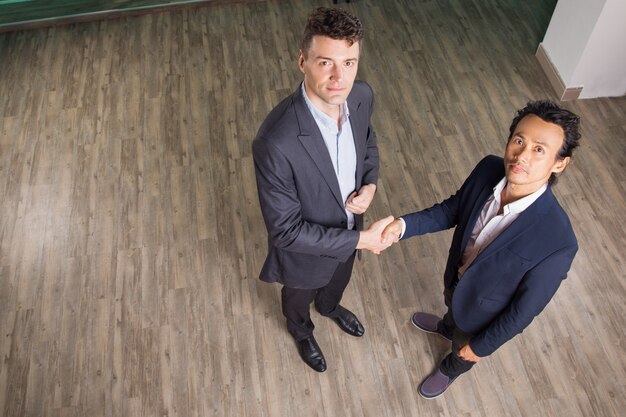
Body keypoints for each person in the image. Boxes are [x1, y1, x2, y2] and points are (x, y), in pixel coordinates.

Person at [381, 100, 581, 398]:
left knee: (463, 350)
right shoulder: (489, 168)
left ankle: (449, 369)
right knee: (451, 310)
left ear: (560, 163)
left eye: (539, 149)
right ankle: (446, 326)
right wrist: (401, 225)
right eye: (519, 140)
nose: (521, 156)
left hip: (482, 317)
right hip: (456, 279)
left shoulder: (558, 242)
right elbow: (452, 210)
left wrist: (480, 348)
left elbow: (523, 311)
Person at [252, 7, 393, 372]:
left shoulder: (361, 96)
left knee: (338, 282)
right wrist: (362, 242)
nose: (338, 77)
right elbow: (286, 231)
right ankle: (302, 331)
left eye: (349, 62)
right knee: (298, 301)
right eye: (325, 62)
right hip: (303, 254)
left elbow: (368, 141)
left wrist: (370, 184)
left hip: (350, 232)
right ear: (302, 61)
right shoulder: (275, 141)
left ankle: (329, 307)